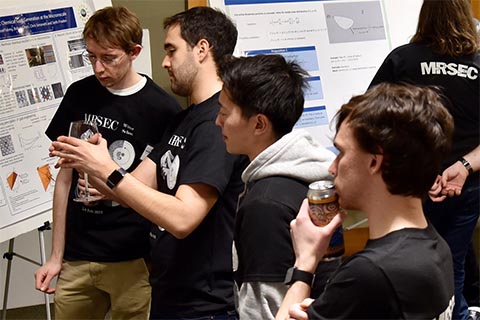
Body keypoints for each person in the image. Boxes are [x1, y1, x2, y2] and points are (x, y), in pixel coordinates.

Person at [47, 6, 247, 319]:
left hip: (203, 303)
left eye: (171, 50)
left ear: (202, 49)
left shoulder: (216, 124)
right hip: (171, 287)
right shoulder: (185, 119)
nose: (165, 61)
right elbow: (131, 188)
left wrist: (106, 168)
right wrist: (90, 158)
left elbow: (182, 219)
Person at [33, 6, 181, 319]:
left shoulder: (163, 109)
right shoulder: (79, 94)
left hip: (133, 259)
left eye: (109, 58)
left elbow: (163, 195)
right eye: (91, 57)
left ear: (134, 52)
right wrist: (56, 256)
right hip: (77, 257)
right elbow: (64, 179)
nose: (99, 68)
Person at [276, 82, 455, 320]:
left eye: (341, 152)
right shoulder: (436, 248)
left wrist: (305, 264)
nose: (332, 167)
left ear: (374, 162)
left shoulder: (371, 272)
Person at [368, 1, 479, 318]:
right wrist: (463, 167)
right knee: (453, 262)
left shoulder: (403, 59)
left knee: (407, 259)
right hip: (466, 184)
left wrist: (422, 171)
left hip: (415, 183)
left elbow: (370, 119)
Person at [215, 54, 336, 319]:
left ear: (259, 124)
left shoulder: (266, 204)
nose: (218, 121)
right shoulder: (310, 174)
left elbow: (267, 309)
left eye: (224, 113)